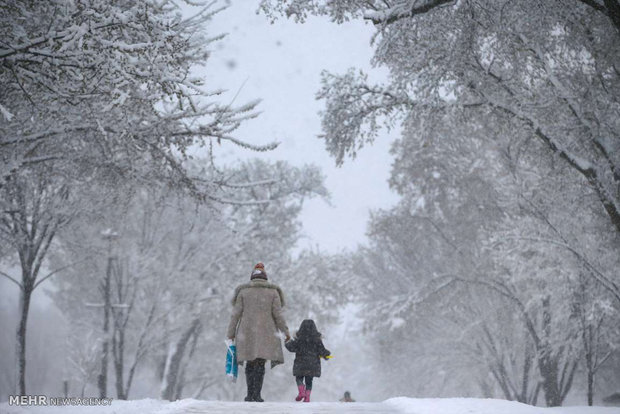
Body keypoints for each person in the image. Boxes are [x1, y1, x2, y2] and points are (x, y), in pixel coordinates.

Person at [227, 263, 290, 402]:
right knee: (260, 363)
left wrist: (230, 333)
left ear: (252, 278)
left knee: (250, 363)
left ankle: (250, 394)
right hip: (266, 333)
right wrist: (286, 332)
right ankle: (257, 394)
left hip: (246, 332)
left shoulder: (243, 292)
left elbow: (235, 315)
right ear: (265, 278)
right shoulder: (273, 293)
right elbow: (278, 315)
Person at [285, 319, 331, 403]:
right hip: (312, 364)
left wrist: (287, 342)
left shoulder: (299, 339)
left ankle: (301, 392)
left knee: (299, 378)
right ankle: (307, 397)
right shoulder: (317, 340)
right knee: (309, 381)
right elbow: (322, 351)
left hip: (300, 364)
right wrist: (327, 355)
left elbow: (291, 348)